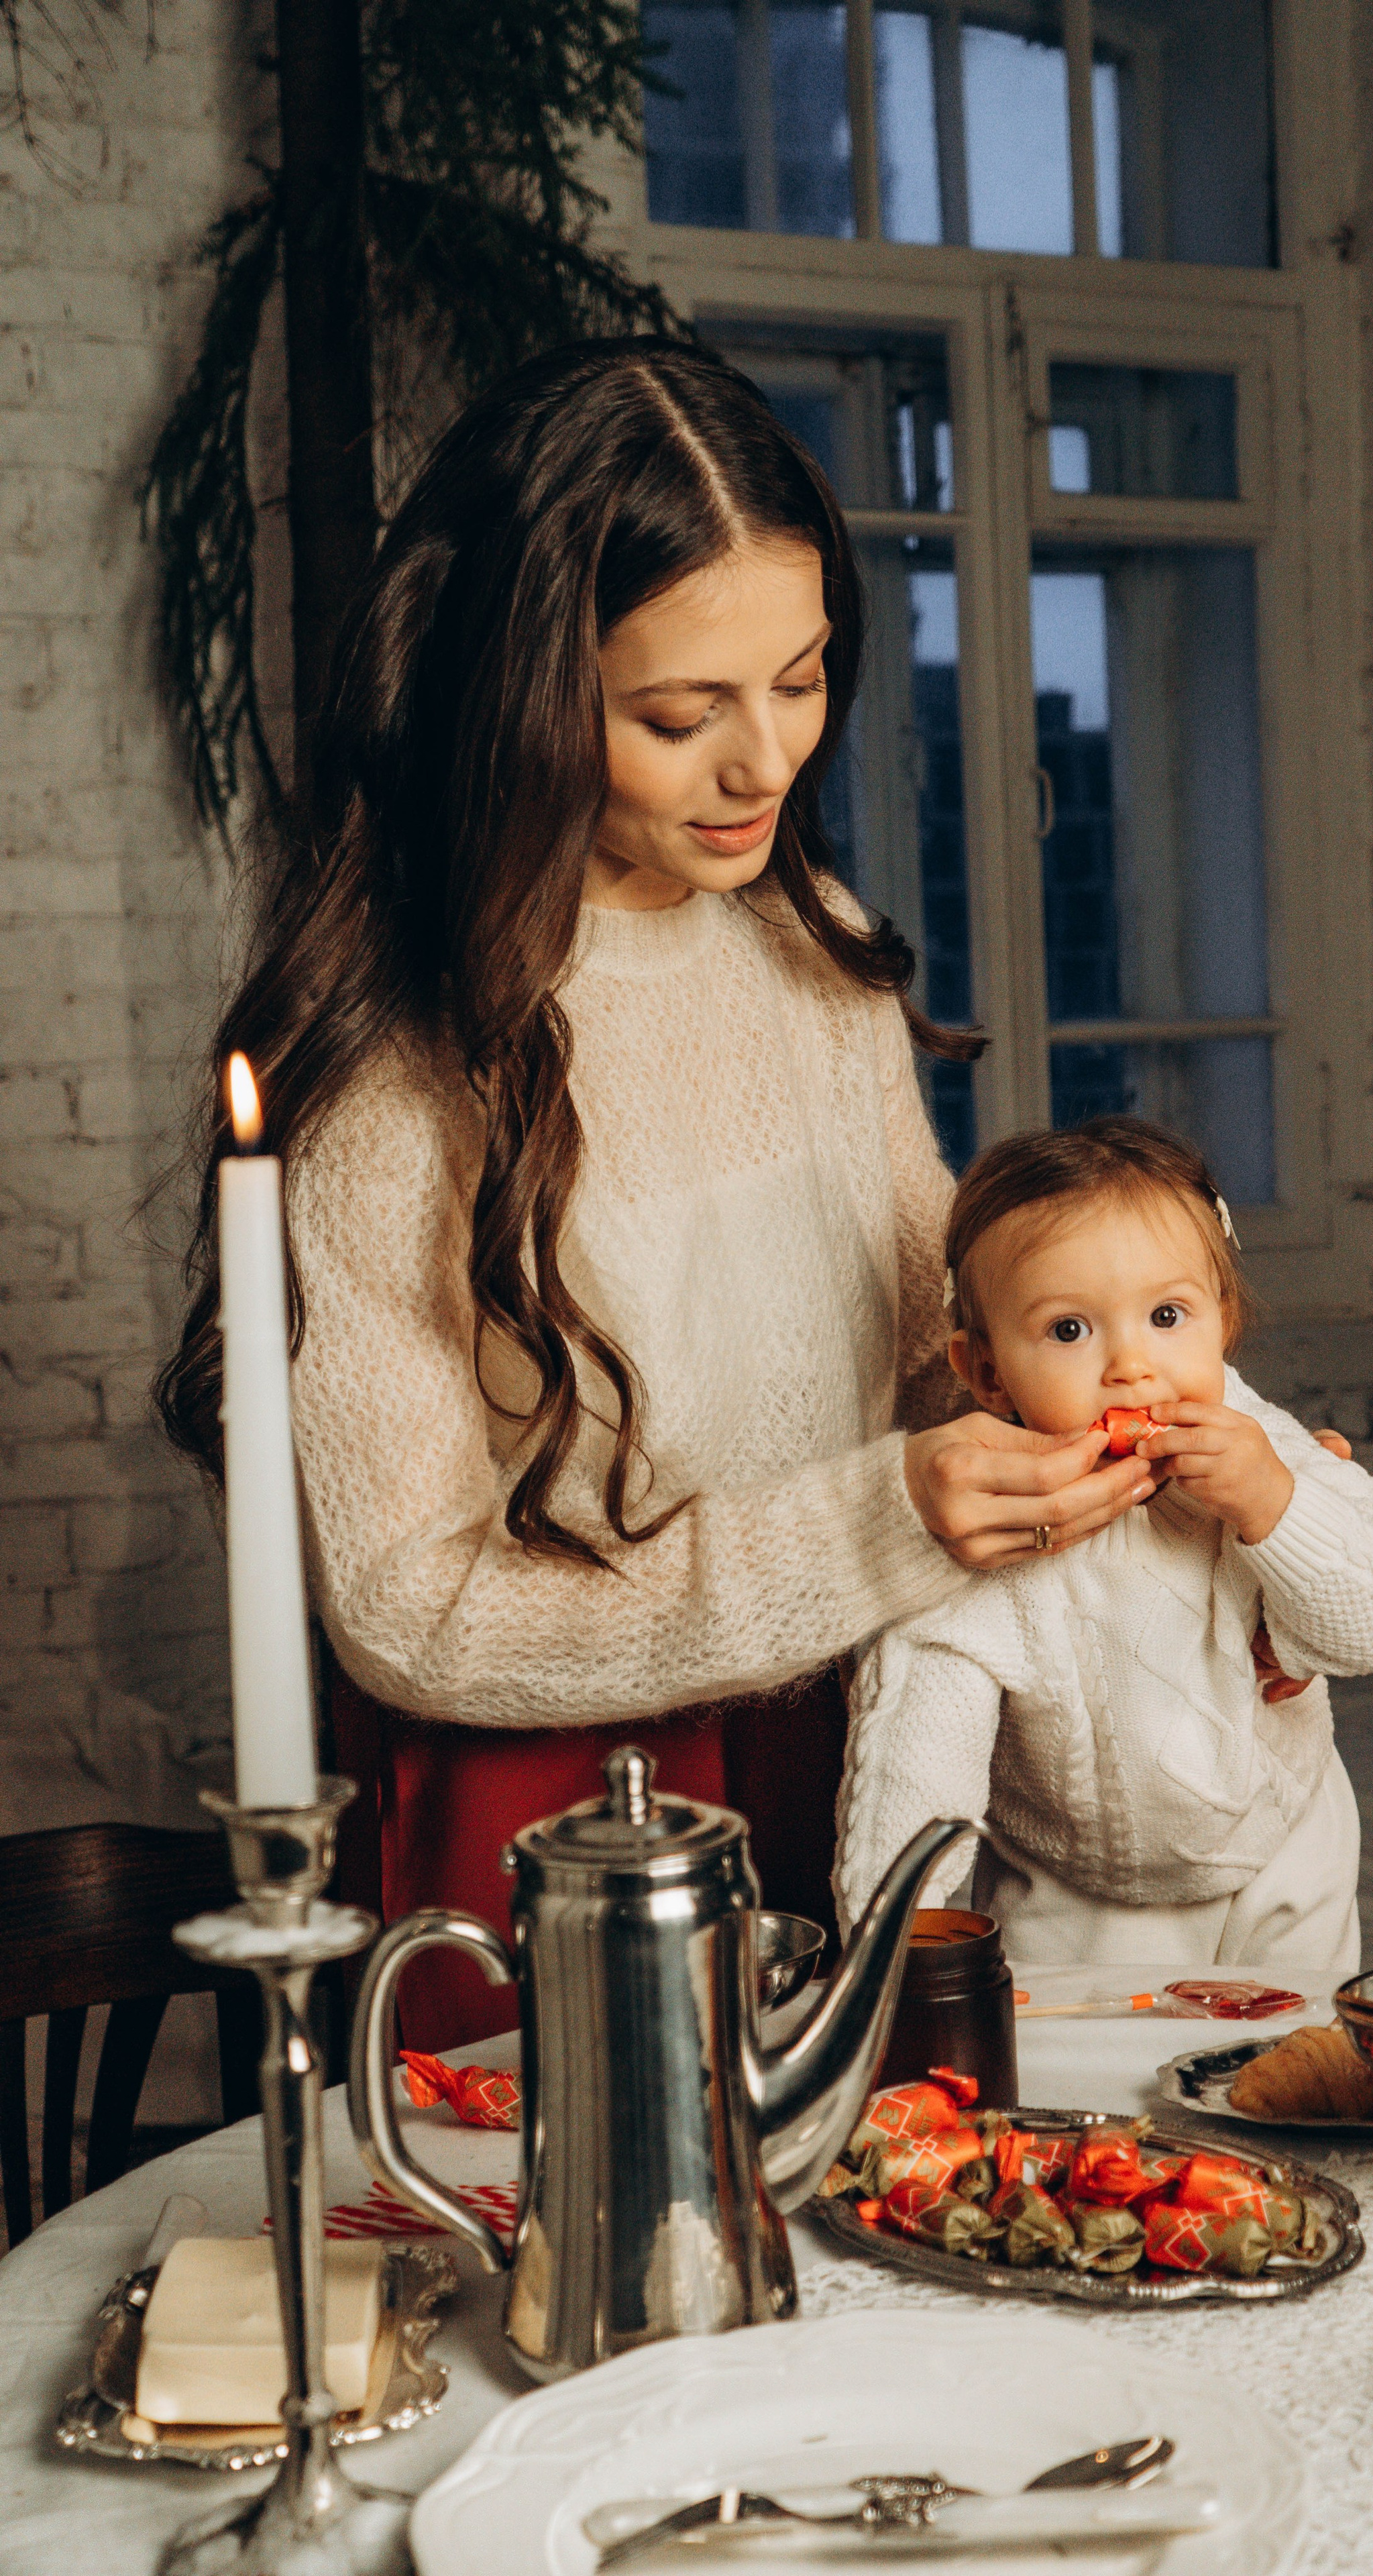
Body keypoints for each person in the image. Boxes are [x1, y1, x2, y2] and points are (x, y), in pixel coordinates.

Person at [156, 340, 1158, 2045]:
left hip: (862, 1740)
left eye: (803, 678)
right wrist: (877, 1525)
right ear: (523, 699)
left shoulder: (812, 950)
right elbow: (407, 1612)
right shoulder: (398, 1067)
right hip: (553, 1824)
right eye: (680, 716)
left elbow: (939, 1353)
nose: (763, 763)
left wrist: (1170, 1441)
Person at [832, 1118, 1373, 1976]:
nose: (1130, 1365)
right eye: (1069, 1330)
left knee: (1296, 2052)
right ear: (987, 1374)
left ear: (1222, 1319)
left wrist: (1279, 1505)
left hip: (1286, 1847)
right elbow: (917, 1758)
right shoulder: (981, 1527)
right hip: (1071, 1893)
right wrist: (896, 1955)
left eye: (1165, 1316)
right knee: (1071, 2062)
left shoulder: (1266, 1455)